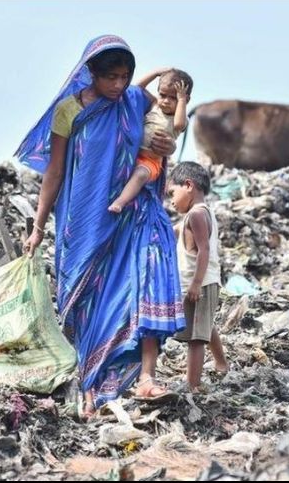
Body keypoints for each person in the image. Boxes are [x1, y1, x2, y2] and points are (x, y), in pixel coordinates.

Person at [16, 35, 185, 421]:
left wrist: (166, 146)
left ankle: (136, 380)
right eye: (111, 77)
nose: (119, 85)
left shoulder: (135, 102)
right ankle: (88, 387)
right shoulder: (68, 112)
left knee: (127, 297)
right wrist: (39, 226)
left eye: (125, 77)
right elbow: (55, 171)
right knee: (84, 305)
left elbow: (163, 136)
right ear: (89, 72)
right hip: (81, 222)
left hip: (126, 219)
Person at [167, 161, 229, 392]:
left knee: (196, 338)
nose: (171, 201)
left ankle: (193, 384)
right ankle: (221, 363)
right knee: (203, 325)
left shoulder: (196, 215)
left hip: (200, 284)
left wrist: (195, 284)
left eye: (173, 193)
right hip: (201, 282)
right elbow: (177, 230)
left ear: (189, 185)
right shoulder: (196, 214)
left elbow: (203, 250)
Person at [108, 68, 193, 214]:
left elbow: (178, 125)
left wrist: (181, 101)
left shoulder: (181, 118)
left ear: (185, 99)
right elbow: (137, 88)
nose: (166, 101)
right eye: (163, 95)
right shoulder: (154, 105)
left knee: (140, 175)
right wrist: (155, 73)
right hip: (132, 155)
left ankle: (120, 202)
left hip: (150, 162)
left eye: (173, 98)